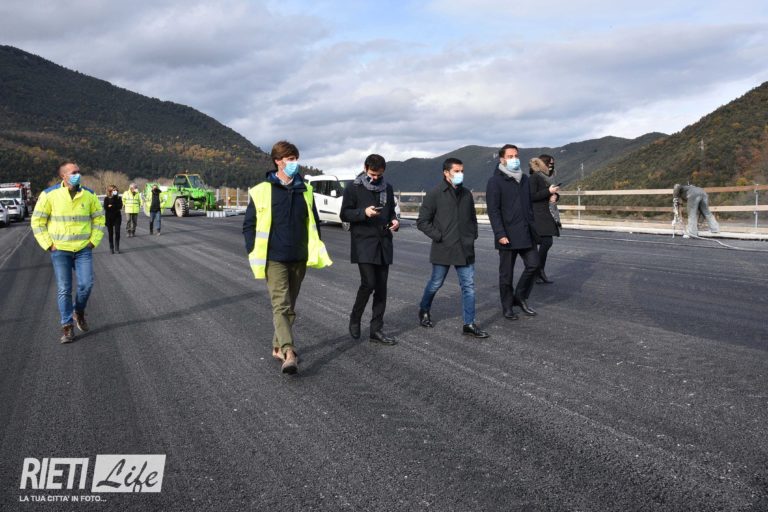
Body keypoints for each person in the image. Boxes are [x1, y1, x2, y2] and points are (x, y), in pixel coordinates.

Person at [242, 141, 332, 374]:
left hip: (299, 257)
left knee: (289, 306)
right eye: (290, 159)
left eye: (295, 158)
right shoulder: (261, 190)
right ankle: (289, 352)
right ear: (278, 161)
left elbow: (313, 223)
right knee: (280, 305)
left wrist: (313, 247)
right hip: (274, 258)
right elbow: (249, 225)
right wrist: (253, 249)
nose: (294, 163)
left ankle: (277, 346)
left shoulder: (306, 190)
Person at [31, 161, 105, 343]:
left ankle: (78, 311)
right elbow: (37, 221)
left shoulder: (89, 195)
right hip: (60, 250)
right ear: (63, 176)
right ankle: (67, 327)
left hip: (83, 249)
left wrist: (93, 241)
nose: (78, 175)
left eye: (79, 171)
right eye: (73, 172)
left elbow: (99, 219)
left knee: (86, 284)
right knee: (64, 289)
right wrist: (49, 244)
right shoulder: (49, 195)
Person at [416, 158, 488, 338]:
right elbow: (422, 221)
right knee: (436, 283)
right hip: (444, 248)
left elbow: (472, 218)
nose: (460, 174)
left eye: (461, 171)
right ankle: (424, 309)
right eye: (456, 171)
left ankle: (469, 324)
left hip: (465, 249)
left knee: (468, 286)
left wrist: (472, 235)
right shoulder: (435, 193)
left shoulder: (466, 194)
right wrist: (439, 236)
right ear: (446, 173)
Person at [340, 154, 399, 345]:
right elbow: (344, 214)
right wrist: (363, 213)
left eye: (379, 175)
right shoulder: (353, 187)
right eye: (372, 174)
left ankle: (376, 330)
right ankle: (355, 318)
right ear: (365, 168)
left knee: (381, 288)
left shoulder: (387, 188)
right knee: (369, 283)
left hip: (383, 242)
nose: (375, 178)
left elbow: (391, 212)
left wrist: (394, 221)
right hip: (363, 242)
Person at [486, 144, 540, 320]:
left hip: (526, 232)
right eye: (510, 156)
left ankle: (520, 297)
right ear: (502, 159)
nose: (514, 159)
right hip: (507, 235)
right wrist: (500, 234)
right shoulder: (495, 182)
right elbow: (493, 210)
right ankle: (507, 306)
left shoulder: (524, 179)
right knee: (506, 275)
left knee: (534, 265)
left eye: (516, 156)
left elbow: (530, 203)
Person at [529, 157, 560, 284]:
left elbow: (548, 193)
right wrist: (548, 191)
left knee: (546, 242)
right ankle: (537, 270)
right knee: (546, 241)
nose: (552, 166)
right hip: (538, 214)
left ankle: (538, 271)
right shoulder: (534, 178)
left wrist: (555, 195)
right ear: (544, 163)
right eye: (550, 163)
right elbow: (532, 196)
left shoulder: (545, 178)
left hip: (546, 213)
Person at [103, 184, 123, 254]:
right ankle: (111, 247)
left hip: (117, 217)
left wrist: (112, 205)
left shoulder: (119, 198)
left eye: (116, 190)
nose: (115, 191)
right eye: (113, 190)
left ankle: (117, 247)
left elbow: (120, 206)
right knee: (110, 233)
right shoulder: (106, 198)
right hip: (109, 218)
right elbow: (106, 207)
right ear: (110, 191)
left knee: (117, 232)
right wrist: (113, 206)